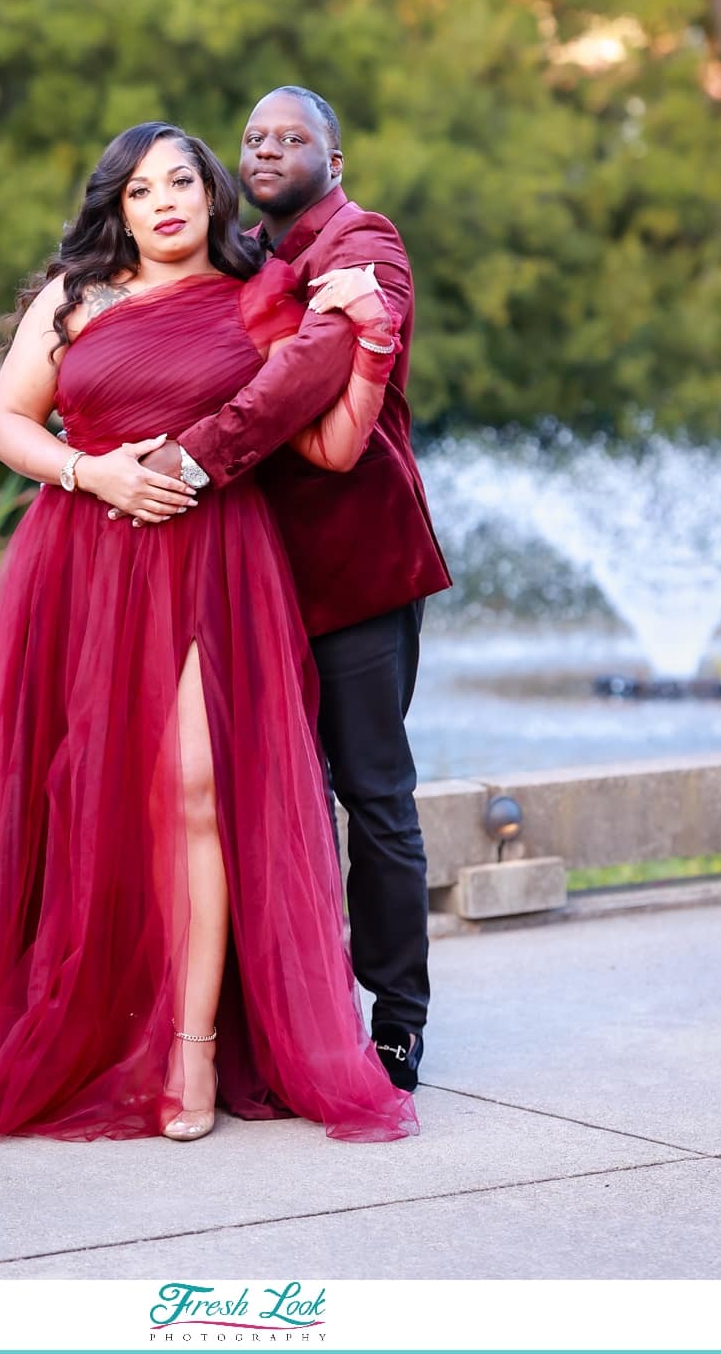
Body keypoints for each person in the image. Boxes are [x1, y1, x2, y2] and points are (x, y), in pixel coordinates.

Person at [0, 122, 417, 1146]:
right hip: (87, 559)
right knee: (96, 795)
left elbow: (333, 447)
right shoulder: (74, 301)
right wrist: (93, 470)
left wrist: (371, 341)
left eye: (183, 184)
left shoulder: (262, 302)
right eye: (141, 189)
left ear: (212, 199)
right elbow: (10, 425)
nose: (164, 203)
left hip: (217, 564)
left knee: (199, 789)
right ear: (117, 207)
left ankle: (190, 1047)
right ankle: (105, 1026)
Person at [134, 88, 452, 1093]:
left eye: (292, 137)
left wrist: (186, 462)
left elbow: (304, 381)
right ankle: (293, 1024)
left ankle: (396, 1024)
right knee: (270, 805)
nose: (268, 149)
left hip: (355, 578)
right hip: (249, 582)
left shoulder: (369, 242)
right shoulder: (245, 261)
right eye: (254, 138)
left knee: (374, 797)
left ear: (336, 155)